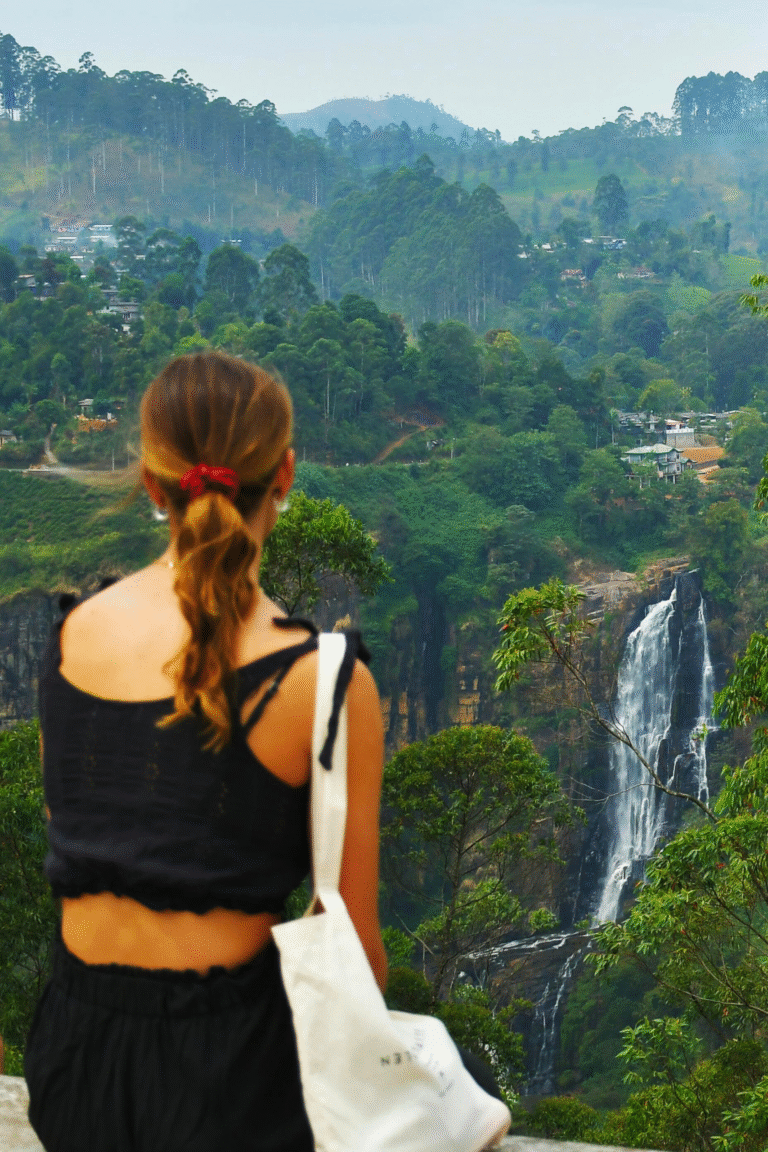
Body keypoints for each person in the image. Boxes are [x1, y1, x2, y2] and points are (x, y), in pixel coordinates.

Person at [25, 350, 387, 1152]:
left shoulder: (70, 635)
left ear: (152, 483)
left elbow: (94, 835)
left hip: (71, 1063)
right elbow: (353, 948)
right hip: (230, 1083)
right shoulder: (320, 680)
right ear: (285, 475)